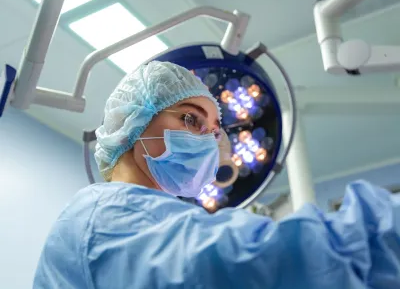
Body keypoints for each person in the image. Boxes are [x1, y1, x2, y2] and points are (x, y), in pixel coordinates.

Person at [33, 61, 400, 289]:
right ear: (134, 123)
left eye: (214, 132)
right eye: (190, 118)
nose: (209, 142)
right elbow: (254, 264)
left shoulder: (141, 218)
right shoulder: (107, 218)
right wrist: (383, 229)